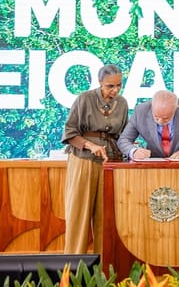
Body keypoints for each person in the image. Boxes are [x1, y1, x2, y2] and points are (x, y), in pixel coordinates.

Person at [61, 64, 128, 254]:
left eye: (118, 85)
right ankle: (73, 269)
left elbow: (124, 134)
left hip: (110, 163)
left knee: (106, 217)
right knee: (79, 215)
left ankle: (104, 270)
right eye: (110, 86)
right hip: (84, 161)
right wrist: (90, 145)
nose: (115, 90)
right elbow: (69, 132)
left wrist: (133, 149)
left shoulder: (122, 103)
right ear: (100, 83)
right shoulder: (85, 99)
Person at [117, 90, 179, 160]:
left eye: (166, 118)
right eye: (156, 116)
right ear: (152, 106)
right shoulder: (140, 111)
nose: (160, 121)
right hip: (154, 162)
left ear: (176, 108)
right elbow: (123, 139)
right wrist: (133, 151)